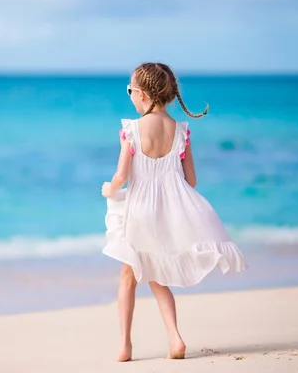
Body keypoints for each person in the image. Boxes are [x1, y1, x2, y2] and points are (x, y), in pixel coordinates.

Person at [101, 62, 248, 362]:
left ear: (142, 95)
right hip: (165, 214)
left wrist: (109, 189)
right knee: (158, 277)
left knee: (128, 276)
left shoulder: (131, 129)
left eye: (130, 90)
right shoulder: (181, 131)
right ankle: (175, 337)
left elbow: (122, 176)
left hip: (138, 212)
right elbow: (191, 180)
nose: (129, 95)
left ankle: (125, 346)